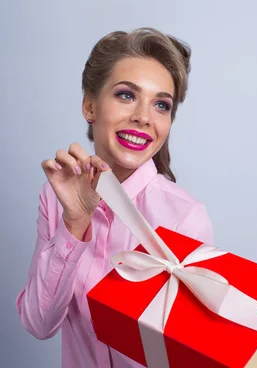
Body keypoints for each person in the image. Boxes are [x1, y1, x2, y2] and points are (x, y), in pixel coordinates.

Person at [15, 28, 215, 367]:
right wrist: (74, 223)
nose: (143, 116)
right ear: (90, 106)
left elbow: (190, 354)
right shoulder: (55, 198)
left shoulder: (185, 217)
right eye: (126, 95)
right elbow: (39, 324)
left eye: (161, 105)